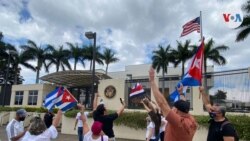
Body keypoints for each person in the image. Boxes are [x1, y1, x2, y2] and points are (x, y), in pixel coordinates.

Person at [149, 67, 197, 141]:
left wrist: (152, 81)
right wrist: (181, 93)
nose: (172, 109)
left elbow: (162, 103)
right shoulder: (191, 120)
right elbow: (183, 106)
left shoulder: (178, 122)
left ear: (177, 111)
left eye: (173, 107)